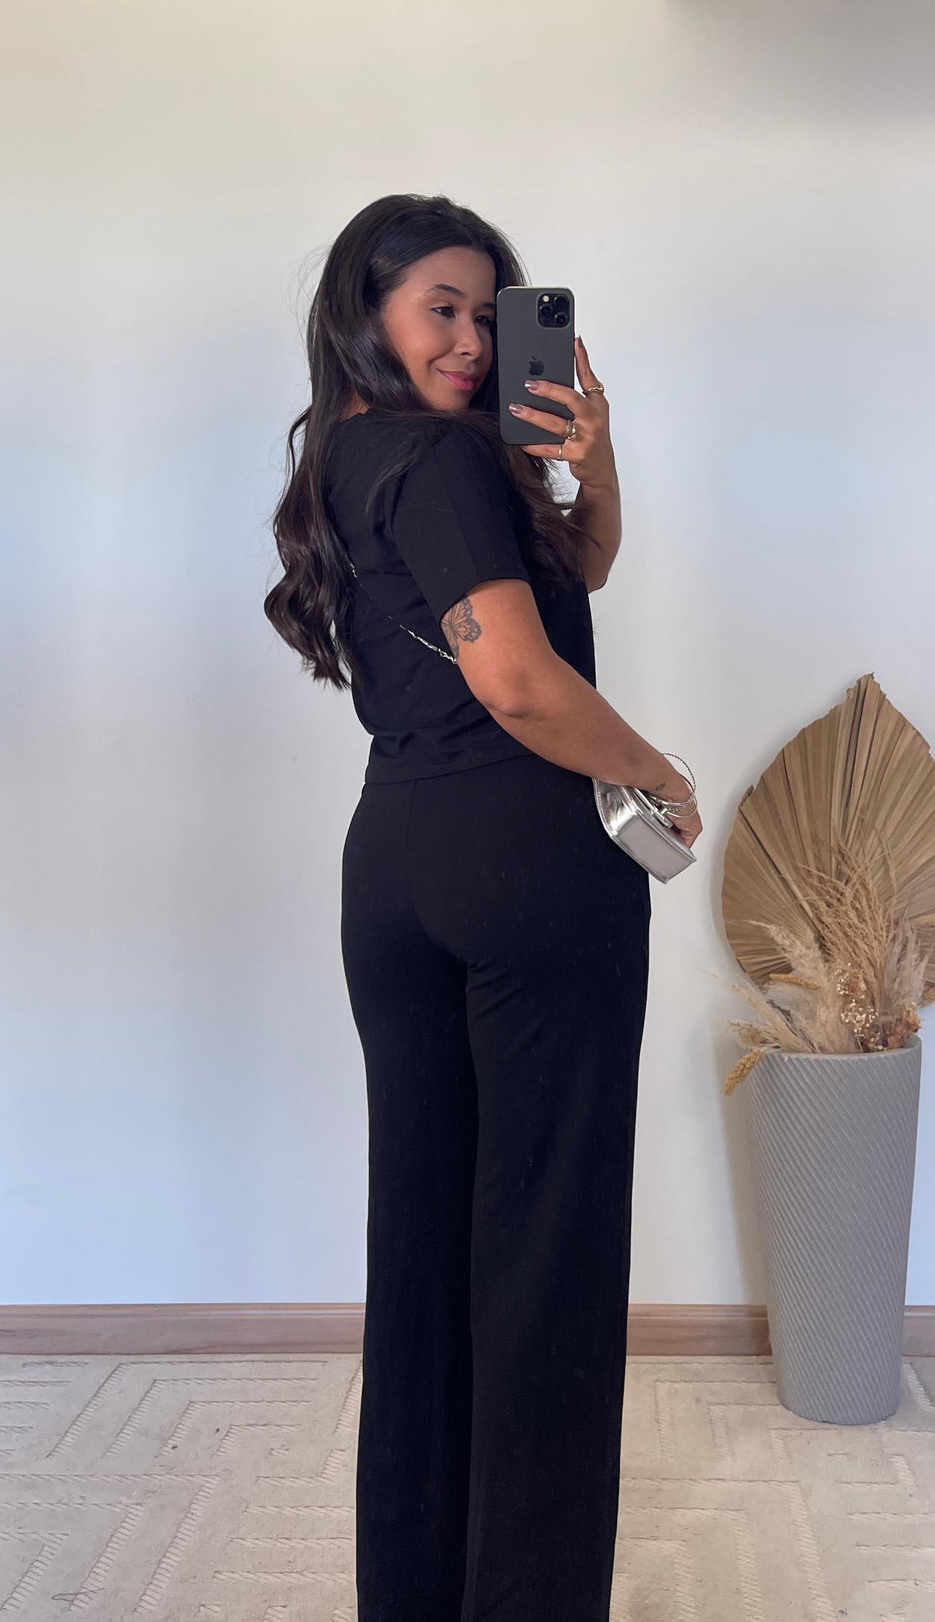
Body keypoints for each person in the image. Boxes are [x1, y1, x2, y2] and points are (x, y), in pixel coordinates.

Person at [264, 193, 702, 1622]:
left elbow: (573, 574)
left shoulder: (353, 459)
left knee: (426, 1251)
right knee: (546, 1256)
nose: (466, 339)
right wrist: (654, 772)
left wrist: (596, 461)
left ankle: (416, 1594)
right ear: (366, 314)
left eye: (484, 311)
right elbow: (517, 678)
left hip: (394, 869)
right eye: (437, 309)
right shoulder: (446, 458)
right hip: (528, 870)